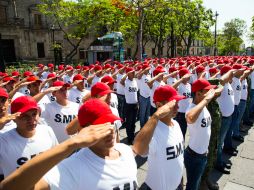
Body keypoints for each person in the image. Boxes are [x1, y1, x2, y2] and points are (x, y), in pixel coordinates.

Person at [0, 99, 138, 190]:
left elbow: (138, 148)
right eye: (99, 126)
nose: (108, 130)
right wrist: (71, 143)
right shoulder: (71, 167)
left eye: (111, 123)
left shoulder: (124, 150)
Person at [133, 85, 185, 190]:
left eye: (177, 103)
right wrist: (156, 116)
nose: (177, 107)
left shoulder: (176, 124)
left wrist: (180, 179)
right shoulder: (153, 131)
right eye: (172, 104)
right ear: (158, 105)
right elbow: (138, 148)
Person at [0, 96, 58, 179]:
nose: (31, 119)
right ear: (14, 118)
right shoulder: (3, 141)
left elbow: (55, 159)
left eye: (34, 114)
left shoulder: (47, 131)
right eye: (24, 116)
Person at [184, 79, 216, 190]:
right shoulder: (191, 109)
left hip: (202, 154)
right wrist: (206, 99)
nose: (210, 92)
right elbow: (190, 117)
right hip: (194, 156)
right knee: (192, 186)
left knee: (195, 184)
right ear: (198, 93)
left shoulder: (202, 106)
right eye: (207, 91)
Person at [121, 67, 139, 144]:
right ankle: (130, 138)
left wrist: (138, 103)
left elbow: (136, 92)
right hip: (128, 105)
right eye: (132, 73)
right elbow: (121, 81)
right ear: (128, 74)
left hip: (135, 104)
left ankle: (132, 136)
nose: (134, 74)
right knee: (129, 122)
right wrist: (127, 73)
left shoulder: (134, 81)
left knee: (133, 122)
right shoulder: (126, 81)